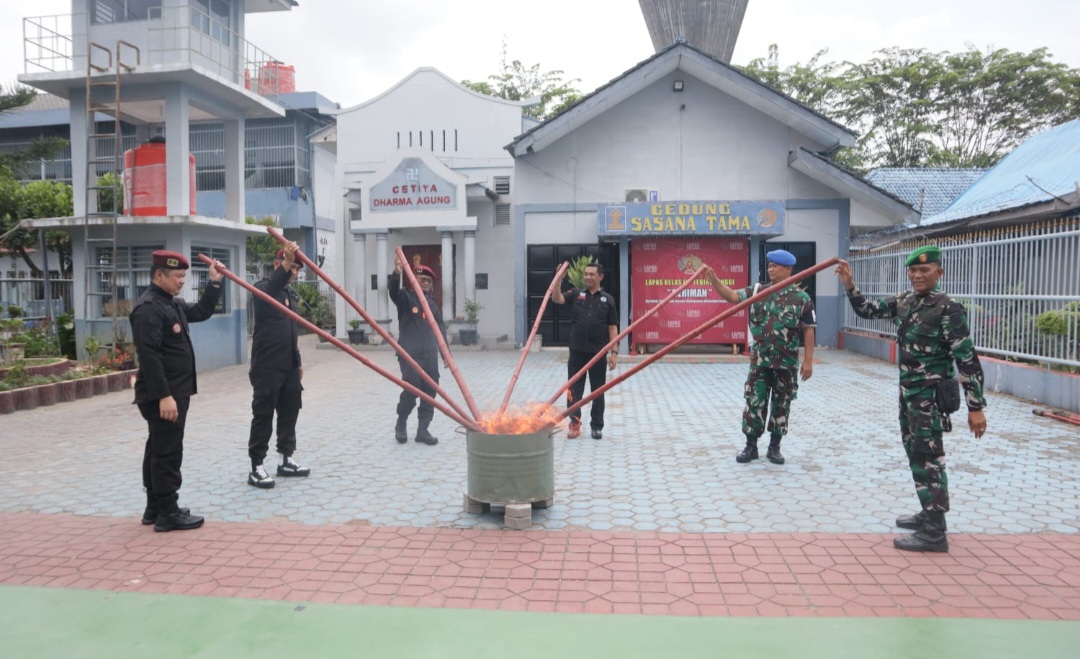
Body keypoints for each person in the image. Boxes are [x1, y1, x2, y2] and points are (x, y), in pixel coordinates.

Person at [835, 246, 988, 553]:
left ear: (939, 273)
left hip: (930, 396)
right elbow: (868, 310)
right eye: (913, 271)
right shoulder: (905, 301)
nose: (918, 275)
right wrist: (850, 286)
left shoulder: (949, 308)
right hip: (908, 395)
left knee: (929, 457)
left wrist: (976, 407)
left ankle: (934, 533)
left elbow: (967, 358)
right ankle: (929, 513)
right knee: (916, 453)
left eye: (925, 270)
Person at [130, 250, 223, 532]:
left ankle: (155, 506)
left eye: (184, 276)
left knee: (158, 447)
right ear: (160, 275)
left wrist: (215, 283)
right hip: (165, 395)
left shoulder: (170, 304)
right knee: (168, 451)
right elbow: (150, 356)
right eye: (177, 276)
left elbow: (202, 311)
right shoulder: (148, 309)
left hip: (174, 392)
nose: (182, 281)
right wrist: (164, 396)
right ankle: (168, 511)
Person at [704, 249, 815, 464]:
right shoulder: (757, 291)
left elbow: (808, 329)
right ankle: (751, 446)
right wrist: (715, 281)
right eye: (770, 265)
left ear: (788, 269)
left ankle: (775, 447)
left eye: (776, 266)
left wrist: (808, 361)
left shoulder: (801, 298)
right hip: (760, 362)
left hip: (786, 363)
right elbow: (733, 297)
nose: (771, 269)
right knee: (754, 402)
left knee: (782, 404)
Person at [246, 242, 311, 489]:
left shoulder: (289, 296)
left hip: (288, 366)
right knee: (263, 415)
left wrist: (298, 362)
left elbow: (291, 332)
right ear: (277, 265)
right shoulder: (262, 289)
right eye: (289, 266)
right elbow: (272, 286)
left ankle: (286, 458)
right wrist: (286, 263)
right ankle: (257, 465)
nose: (293, 273)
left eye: (296, 269)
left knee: (290, 411)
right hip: (267, 366)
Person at [552, 261, 618, 439]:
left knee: (598, 391)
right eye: (586, 274)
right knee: (574, 390)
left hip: (598, 353)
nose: (588, 277)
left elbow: (612, 328)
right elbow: (557, 298)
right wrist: (558, 279)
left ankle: (597, 426)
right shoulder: (576, 294)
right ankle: (574, 424)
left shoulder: (608, 300)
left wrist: (614, 353)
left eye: (592, 274)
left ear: (600, 277)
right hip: (577, 352)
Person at [389, 257, 446, 446]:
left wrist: (446, 355)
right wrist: (397, 273)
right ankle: (401, 422)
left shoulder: (433, 305)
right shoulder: (406, 298)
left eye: (429, 281)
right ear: (414, 280)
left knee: (430, 390)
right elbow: (393, 292)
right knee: (412, 386)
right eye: (422, 280)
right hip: (409, 353)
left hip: (429, 354)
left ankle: (423, 430)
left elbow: (440, 329)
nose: (426, 283)